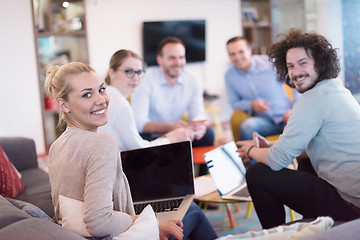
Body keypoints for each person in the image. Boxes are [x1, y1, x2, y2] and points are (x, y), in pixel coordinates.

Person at [44, 61, 218, 240]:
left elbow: (64, 215)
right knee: (193, 212)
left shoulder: (56, 147)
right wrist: (152, 224)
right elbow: (97, 221)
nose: (100, 100)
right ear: (64, 105)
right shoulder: (102, 142)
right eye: (87, 95)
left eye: (101, 90)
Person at [236, 29, 360, 229]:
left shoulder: (314, 99)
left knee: (258, 174)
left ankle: (277, 234)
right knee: (305, 160)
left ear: (320, 63)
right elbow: (313, 145)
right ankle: (312, 227)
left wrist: (251, 151)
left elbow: (277, 161)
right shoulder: (335, 89)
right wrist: (270, 146)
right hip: (353, 196)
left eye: (303, 63)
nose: (295, 72)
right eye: (290, 66)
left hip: (352, 206)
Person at [98, 49, 194, 150]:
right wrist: (171, 138)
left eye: (139, 72)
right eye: (128, 71)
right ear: (112, 73)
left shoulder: (110, 95)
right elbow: (139, 149)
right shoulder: (119, 103)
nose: (136, 78)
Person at [131, 36, 214, 148]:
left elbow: (197, 113)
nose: (178, 62)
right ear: (160, 60)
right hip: (153, 137)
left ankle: (195, 166)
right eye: (172, 58)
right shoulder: (145, 81)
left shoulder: (193, 80)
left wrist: (198, 126)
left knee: (208, 136)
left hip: (180, 132)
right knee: (139, 140)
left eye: (181, 57)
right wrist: (171, 127)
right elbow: (138, 123)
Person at [225, 36, 298, 140]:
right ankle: (251, 156)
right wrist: (251, 105)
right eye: (233, 54)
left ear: (249, 50)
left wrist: (294, 111)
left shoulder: (269, 63)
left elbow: (295, 84)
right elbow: (234, 103)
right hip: (264, 122)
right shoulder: (229, 76)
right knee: (247, 127)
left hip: (287, 117)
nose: (237, 57)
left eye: (241, 51)